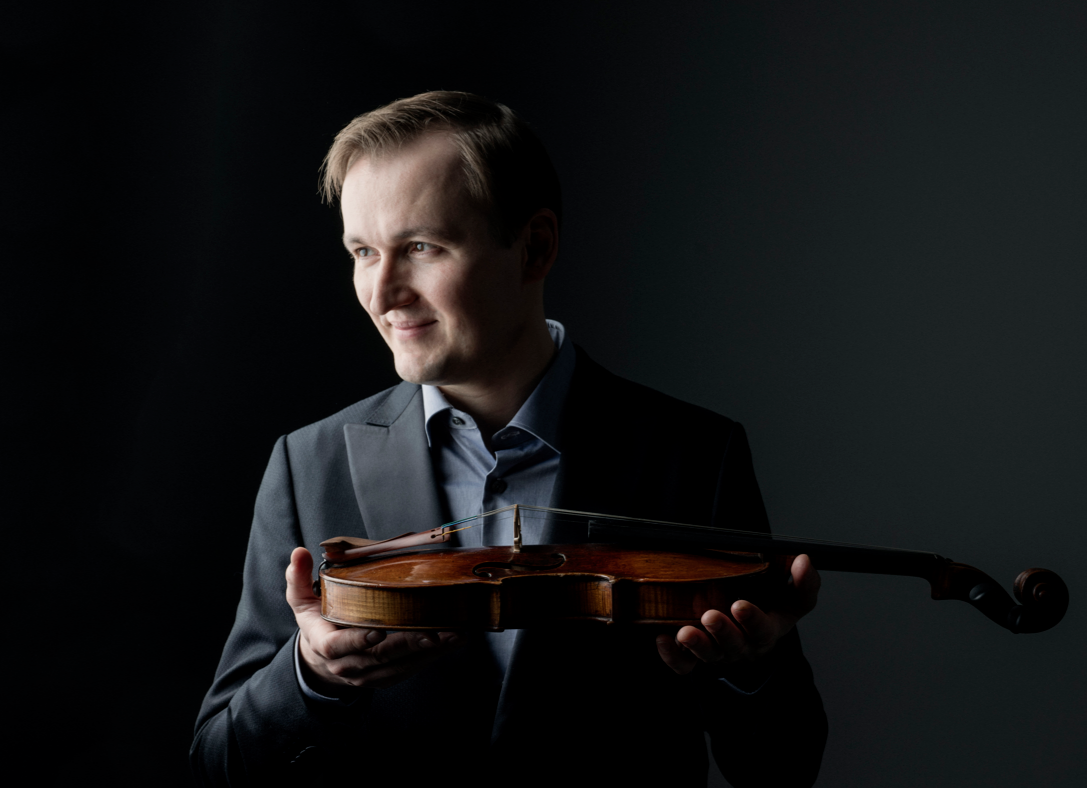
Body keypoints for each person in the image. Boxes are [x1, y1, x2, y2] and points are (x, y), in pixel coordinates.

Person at [190, 91, 828, 787]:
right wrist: (313, 676)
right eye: (363, 251)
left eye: (421, 248)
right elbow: (219, 767)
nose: (381, 291)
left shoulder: (694, 455)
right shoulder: (306, 464)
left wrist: (751, 670)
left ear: (535, 247)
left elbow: (784, 767)